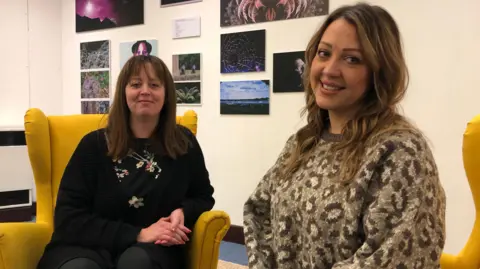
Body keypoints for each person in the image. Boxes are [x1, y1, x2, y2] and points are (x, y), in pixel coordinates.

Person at [243, 3, 446, 269]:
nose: (329, 70)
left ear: (379, 71)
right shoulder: (304, 142)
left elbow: (394, 258)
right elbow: (259, 211)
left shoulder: (400, 151)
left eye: (352, 59)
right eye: (324, 53)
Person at [36, 55, 215, 269]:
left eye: (155, 84)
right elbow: (68, 218)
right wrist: (138, 233)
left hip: (154, 249)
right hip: (87, 245)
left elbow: (203, 196)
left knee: (136, 264)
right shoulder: (92, 145)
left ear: (167, 94)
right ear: (124, 92)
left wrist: (183, 211)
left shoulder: (184, 143)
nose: (145, 91)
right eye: (136, 84)